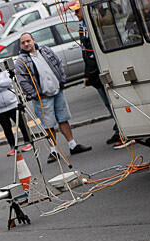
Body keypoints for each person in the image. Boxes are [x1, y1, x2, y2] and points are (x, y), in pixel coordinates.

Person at [15, 32, 92, 163]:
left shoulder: (45, 50)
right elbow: (22, 81)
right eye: (23, 43)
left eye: (28, 41)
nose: (26, 44)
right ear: (21, 45)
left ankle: (72, 145)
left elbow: (58, 63)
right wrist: (35, 95)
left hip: (57, 92)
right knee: (48, 125)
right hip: (42, 97)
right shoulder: (21, 61)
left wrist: (62, 81)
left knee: (63, 119)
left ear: (33, 40)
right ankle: (53, 151)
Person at [68, 0, 127, 148]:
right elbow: (86, 53)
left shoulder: (98, 21)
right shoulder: (82, 27)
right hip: (94, 72)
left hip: (102, 70)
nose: (76, 14)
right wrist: (87, 74)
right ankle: (119, 129)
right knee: (108, 103)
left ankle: (123, 131)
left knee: (114, 102)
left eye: (77, 11)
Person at [0, 55, 33, 156]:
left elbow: (10, 82)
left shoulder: (5, 72)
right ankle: (13, 146)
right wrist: (2, 86)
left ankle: (28, 142)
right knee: (6, 128)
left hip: (12, 103)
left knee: (21, 123)